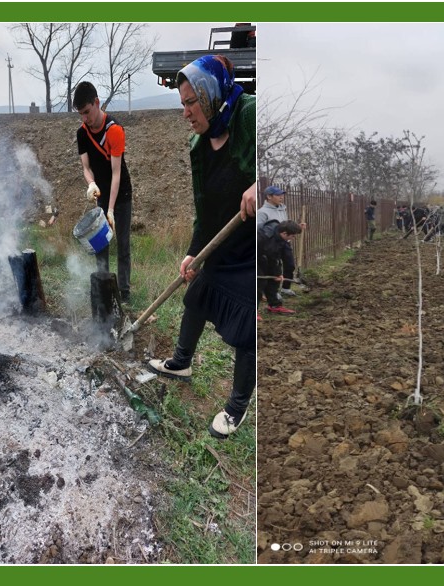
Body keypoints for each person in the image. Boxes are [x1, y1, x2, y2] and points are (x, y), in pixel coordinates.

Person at [145, 55, 254, 440]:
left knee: (247, 332)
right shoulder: (199, 144)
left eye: (192, 102)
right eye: (183, 104)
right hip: (220, 243)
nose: (186, 112)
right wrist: (194, 251)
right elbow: (204, 208)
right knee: (194, 298)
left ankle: (237, 407)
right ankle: (181, 362)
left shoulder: (249, 115)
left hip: (253, 250)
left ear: (211, 96)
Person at [74, 81, 133, 301]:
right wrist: (91, 184)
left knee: (123, 244)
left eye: (87, 112)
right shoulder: (82, 134)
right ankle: (105, 289)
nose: (85, 118)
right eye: (81, 114)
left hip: (121, 192)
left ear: (96, 103)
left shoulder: (114, 130)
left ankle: (124, 292)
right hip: (102, 194)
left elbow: (116, 173)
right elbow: (86, 168)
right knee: (101, 244)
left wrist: (110, 210)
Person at [256, 185, 303, 299]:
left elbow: (285, 225)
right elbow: (258, 229)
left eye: (282, 195)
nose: (281, 197)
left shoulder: (282, 208)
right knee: (271, 265)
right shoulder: (262, 212)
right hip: (269, 244)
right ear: (269, 196)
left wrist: (296, 227)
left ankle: (285, 288)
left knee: (289, 264)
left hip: (283, 242)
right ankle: (269, 292)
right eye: (278, 195)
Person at [258, 221, 301, 315]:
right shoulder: (262, 236)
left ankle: (274, 306)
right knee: (260, 281)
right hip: (256, 257)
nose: (293, 238)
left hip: (268, 257)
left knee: (274, 279)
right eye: (293, 236)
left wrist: (278, 274)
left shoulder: (282, 239)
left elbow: (275, 257)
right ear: (285, 233)